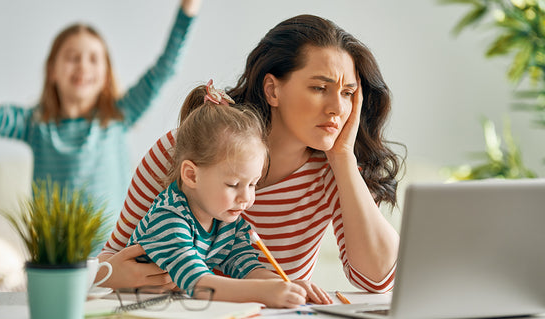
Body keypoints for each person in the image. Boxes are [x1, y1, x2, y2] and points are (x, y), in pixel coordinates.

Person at [99, 14, 403, 301]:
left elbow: (378, 281)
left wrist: (343, 157)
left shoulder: (333, 171)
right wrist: (110, 275)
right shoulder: (181, 151)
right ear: (272, 90)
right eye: (320, 88)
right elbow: (110, 259)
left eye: (348, 93)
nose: (337, 107)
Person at [0, 0, 201, 253]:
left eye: (93, 59)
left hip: (116, 255)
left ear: (106, 74)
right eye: (72, 57)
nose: (82, 66)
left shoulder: (119, 116)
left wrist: (187, 10)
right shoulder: (35, 125)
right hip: (57, 260)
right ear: (53, 71)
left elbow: (165, 68)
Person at [127, 80, 314, 308]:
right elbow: (198, 284)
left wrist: (287, 285)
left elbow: (247, 268)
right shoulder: (168, 219)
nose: (246, 198)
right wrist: (265, 292)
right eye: (234, 184)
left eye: (253, 184)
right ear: (191, 175)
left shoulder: (224, 220)